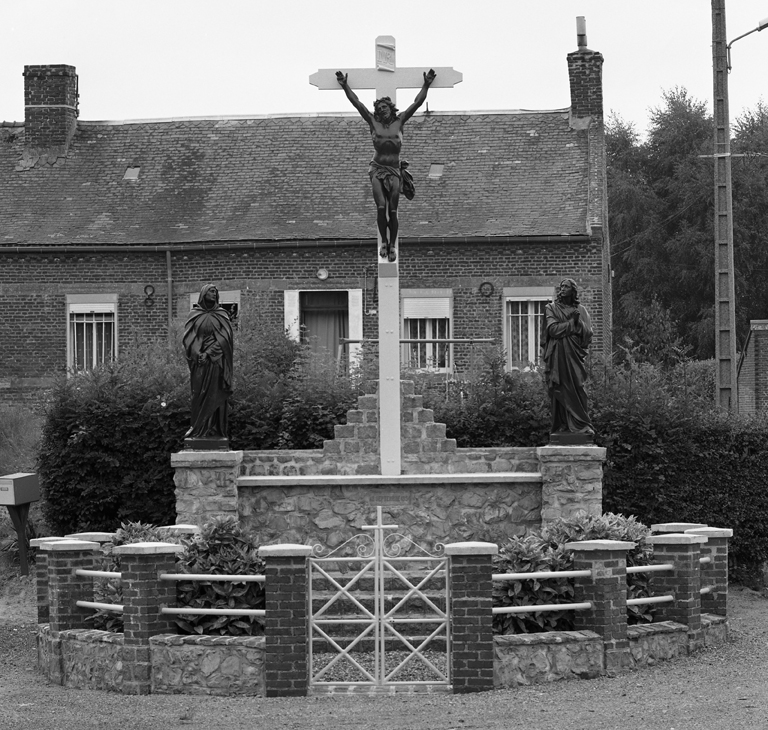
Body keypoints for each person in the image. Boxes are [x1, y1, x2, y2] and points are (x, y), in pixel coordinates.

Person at [336, 69, 436, 261]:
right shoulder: (373, 123)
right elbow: (357, 103)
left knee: (393, 209)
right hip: (377, 168)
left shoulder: (400, 121)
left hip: (394, 170)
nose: (381, 110)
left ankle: (392, 246)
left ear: (390, 108)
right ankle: (383, 240)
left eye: (384, 107)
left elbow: (417, 102)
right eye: (379, 108)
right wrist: (344, 85)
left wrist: (426, 84)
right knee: (381, 206)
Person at [542, 278, 595, 438]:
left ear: (573, 291)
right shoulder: (551, 308)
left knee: (579, 386)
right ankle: (563, 425)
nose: (562, 289)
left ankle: (581, 424)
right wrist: (572, 324)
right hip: (558, 356)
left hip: (574, 356)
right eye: (561, 286)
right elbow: (552, 330)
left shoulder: (582, 310)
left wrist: (579, 324)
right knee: (560, 387)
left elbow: (588, 335)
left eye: (566, 287)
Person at [182, 284, 233, 440]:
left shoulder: (222, 314)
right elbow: (189, 338)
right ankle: (197, 428)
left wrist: (209, 353)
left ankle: (215, 430)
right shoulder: (194, 314)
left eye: (216, 292)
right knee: (198, 393)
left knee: (215, 392)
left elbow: (226, 338)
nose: (214, 294)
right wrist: (198, 353)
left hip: (216, 361)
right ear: (203, 294)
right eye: (211, 291)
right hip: (199, 362)